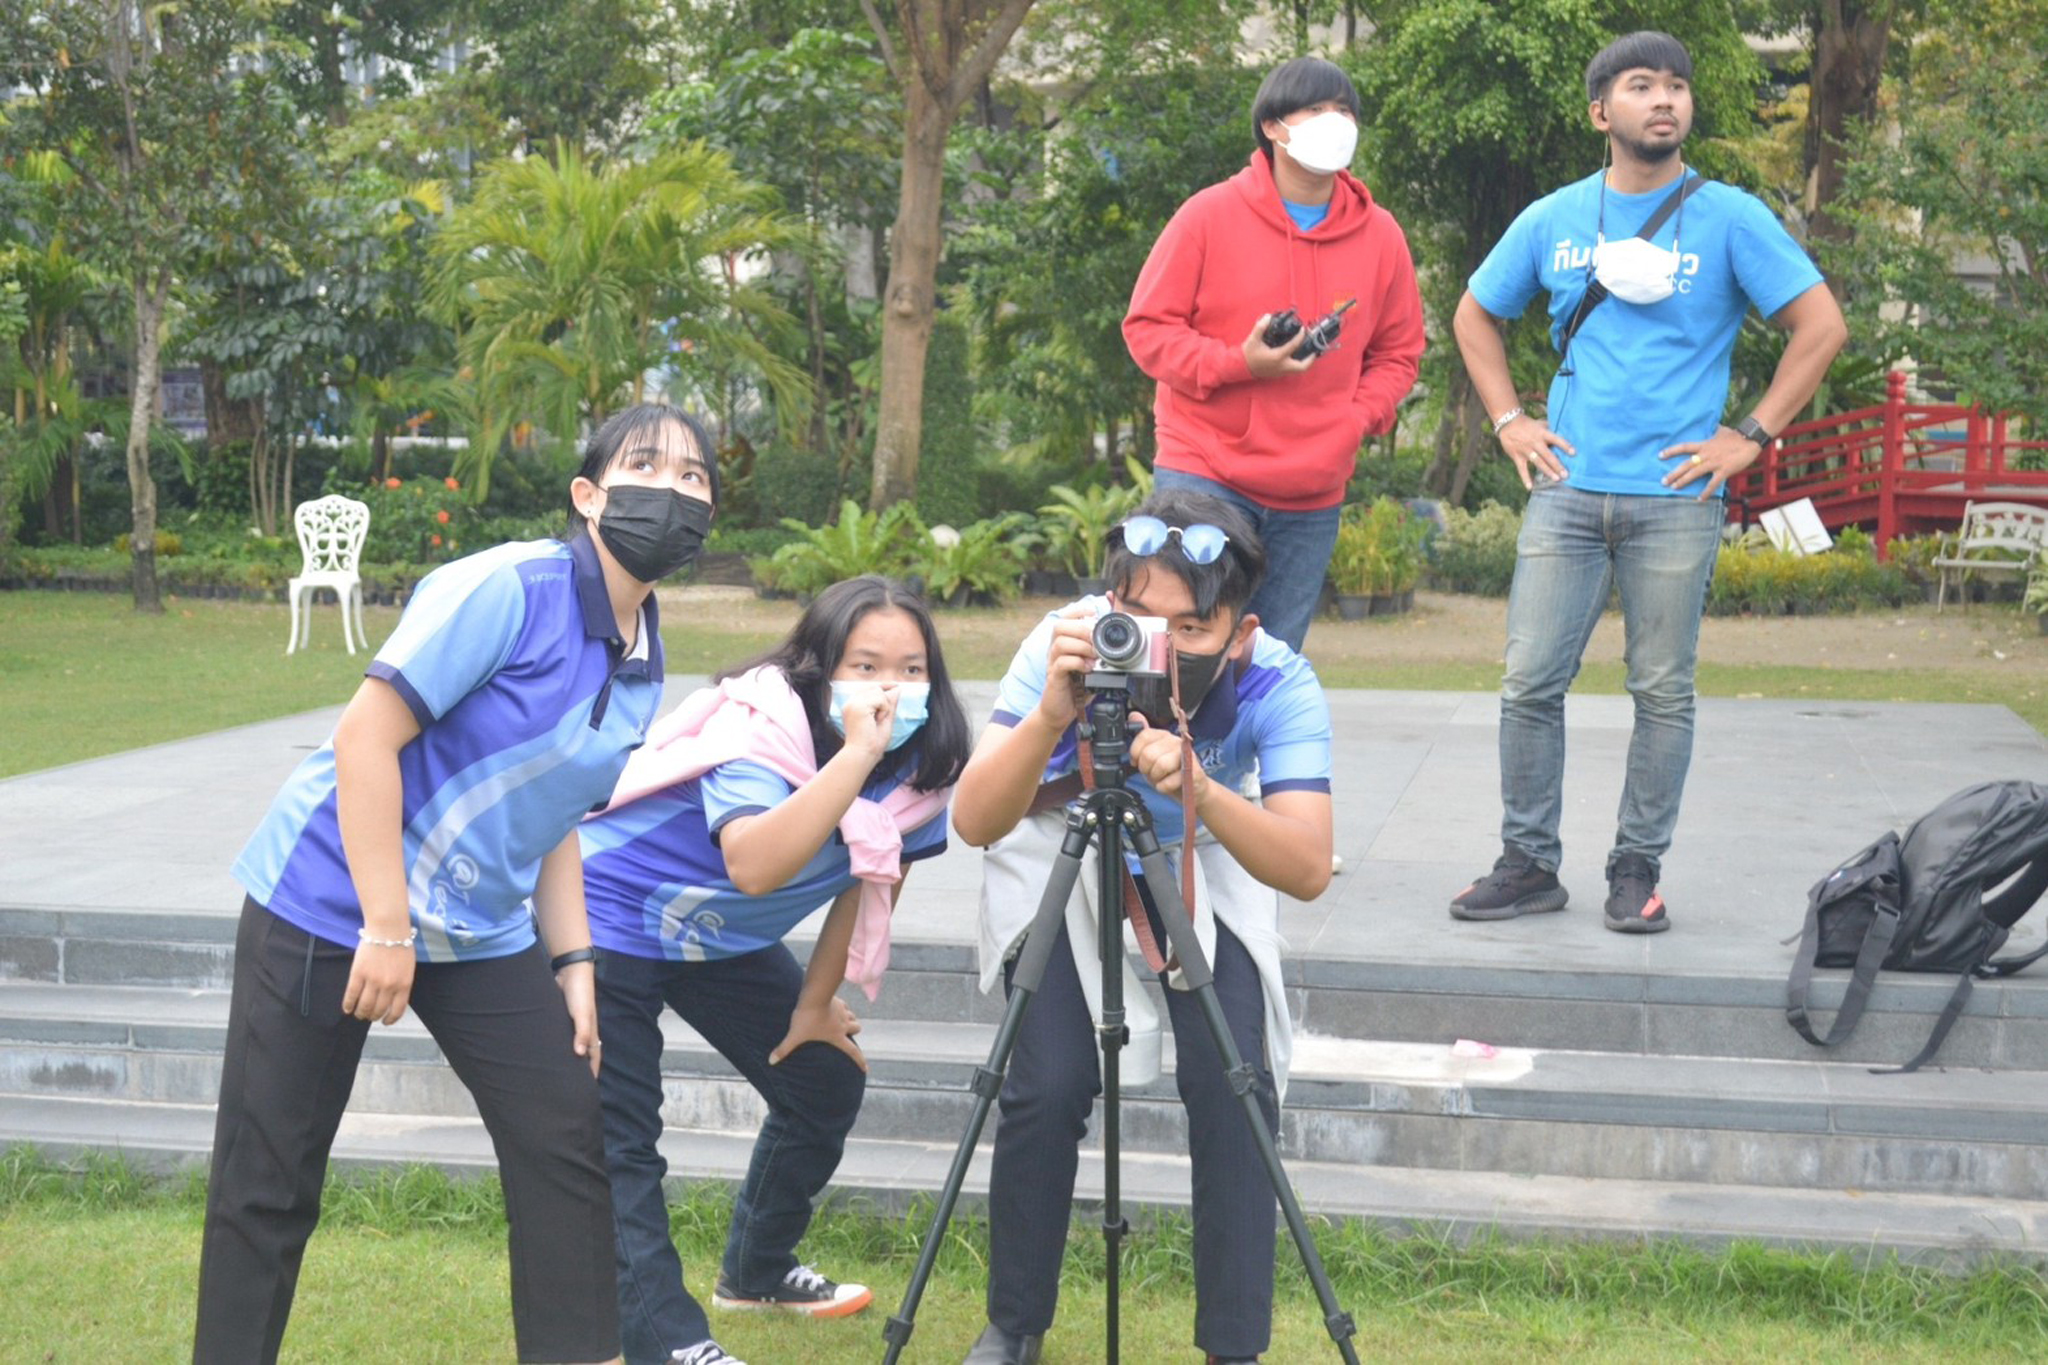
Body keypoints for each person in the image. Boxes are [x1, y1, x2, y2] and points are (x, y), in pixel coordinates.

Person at [194, 403, 719, 1365]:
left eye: (695, 477)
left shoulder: (643, 656)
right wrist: (385, 927)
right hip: (331, 901)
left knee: (565, 1131)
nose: (673, 488)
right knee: (269, 1179)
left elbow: (558, 809)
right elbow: (364, 739)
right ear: (588, 495)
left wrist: (573, 959)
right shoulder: (508, 588)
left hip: (476, 929)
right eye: (647, 463)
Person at [1448, 31, 1848, 934]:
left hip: (1677, 498)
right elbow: (1475, 313)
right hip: (1568, 489)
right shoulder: (1554, 218)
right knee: (1528, 684)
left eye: (1676, 86)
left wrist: (1749, 437)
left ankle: (1636, 868)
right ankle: (1528, 863)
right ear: (1602, 112)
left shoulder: (1732, 217)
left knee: (1662, 690)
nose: (1664, 99)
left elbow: (1819, 325)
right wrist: (1511, 419)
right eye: (1640, 86)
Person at [952, 488, 1334, 1365]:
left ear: (1241, 631)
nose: (1158, 646)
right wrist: (1053, 711)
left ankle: (1233, 1346)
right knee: (1046, 1084)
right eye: (1135, 616)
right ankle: (1014, 1325)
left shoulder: (1279, 677)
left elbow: (1308, 866)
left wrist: (1199, 787)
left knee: (1236, 1080)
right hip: (1062, 844)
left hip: (1205, 848)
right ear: (1108, 603)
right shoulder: (1067, 640)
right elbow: (974, 820)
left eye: (1190, 630)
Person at [577, 576, 972, 1365]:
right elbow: (754, 863)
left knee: (822, 1078)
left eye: (910, 666)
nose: (888, 687)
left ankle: (755, 1272)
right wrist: (857, 755)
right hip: (609, 916)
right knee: (621, 1139)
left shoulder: (925, 773)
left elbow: (871, 879)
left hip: (711, 939)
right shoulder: (757, 730)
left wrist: (815, 1003)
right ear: (817, 666)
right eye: (863, 665)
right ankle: (669, 1342)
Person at [1123, 55, 1426, 651]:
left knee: (1270, 658)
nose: (1334, 121)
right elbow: (1148, 330)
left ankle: (1235, 752)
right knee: (1181, 644)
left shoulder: (1381, 234)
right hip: (1203, 469)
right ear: (1273, 127)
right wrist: (1239, 363)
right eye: (1315, 109)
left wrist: (1354, 420)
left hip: (1313, 486)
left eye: (1344, 111)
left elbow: (1399, 353)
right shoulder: (1207, 215)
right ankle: (1168, 749)